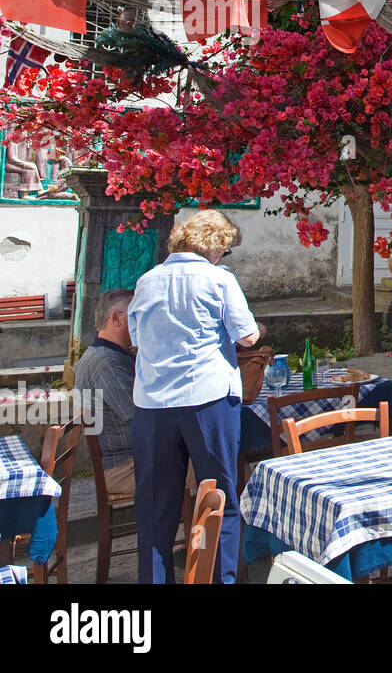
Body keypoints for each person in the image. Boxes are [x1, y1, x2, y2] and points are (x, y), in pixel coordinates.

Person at [128, 210, 266, 584]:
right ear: (215, 246)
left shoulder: (147, 281)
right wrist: (257, 327)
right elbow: (248, 337)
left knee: (155, 508)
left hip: (153, 404)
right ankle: (221, 578)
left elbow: (137, 339)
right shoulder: (218, 279)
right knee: (219, 499)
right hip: (207, 398)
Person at [73, 289, 137, 495]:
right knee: (207, 461)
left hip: (129, 459)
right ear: (117, 318)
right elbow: (139, 417)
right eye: (137, 315)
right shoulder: (107, 363)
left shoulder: (109, 355)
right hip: (124, 467)